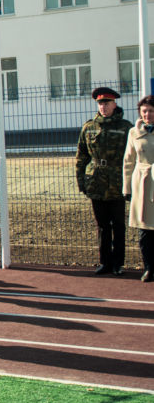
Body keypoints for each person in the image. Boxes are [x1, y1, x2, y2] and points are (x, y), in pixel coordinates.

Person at [76, 87, 133, 276]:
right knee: (102, 225)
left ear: (114, 104)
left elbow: (131, 157)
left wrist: (130, 183)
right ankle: (104, 262)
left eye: (107, 103)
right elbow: (81, 156)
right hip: (96, 181)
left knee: (118, 224)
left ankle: (118, 263)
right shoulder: (89, 127)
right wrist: (81, 181)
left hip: (117, 181)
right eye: (100, 104)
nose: (103, 107)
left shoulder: (125, 127)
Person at [123, 95, 154, 283]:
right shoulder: (133, 133)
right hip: (142, 184)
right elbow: (128, 161)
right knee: (145, 232)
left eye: (151, 110)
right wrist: (126, 188)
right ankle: (149, 267)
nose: (148, 114)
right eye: (144, 111)